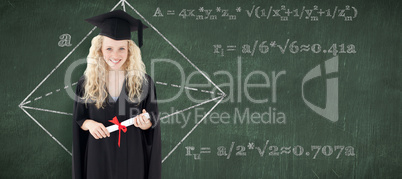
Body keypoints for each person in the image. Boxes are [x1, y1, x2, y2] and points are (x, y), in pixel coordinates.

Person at [72, 10, 161, 179]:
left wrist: (146, 122)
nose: (115, 55)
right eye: (109, 48)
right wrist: (90, 124)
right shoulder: (86, 82)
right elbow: (80, 119)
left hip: (132, 157)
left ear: (130, 50)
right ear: (99, 50)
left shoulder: (144, 82)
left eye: (122, 48)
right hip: (98, 156)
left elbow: (152, 118)